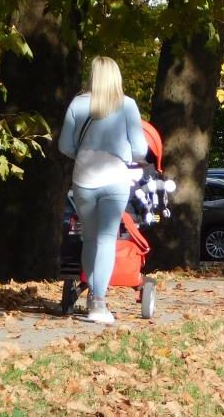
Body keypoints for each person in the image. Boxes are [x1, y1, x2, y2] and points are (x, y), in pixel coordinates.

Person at [58, 56, 147, 325]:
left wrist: (85, 153)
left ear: (93, 75)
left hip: (84, 179)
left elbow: (64, 145)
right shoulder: (127, 105)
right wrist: (121, 151)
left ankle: (93, 299)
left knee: (89, 239)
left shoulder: (77, 104)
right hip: (115, 179)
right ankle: (98, 302)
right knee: (107, 239)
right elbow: (140, 150)